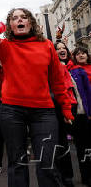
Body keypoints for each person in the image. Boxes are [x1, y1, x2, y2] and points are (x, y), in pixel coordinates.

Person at [0, 8, 73, 187]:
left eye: (24, 17)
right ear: (10, 25)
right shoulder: (4, 46)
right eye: (14, 18)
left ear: (31, 23)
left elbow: (57, 80)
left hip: (44, 112)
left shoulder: (47, 45)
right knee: (17, 163)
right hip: (12, 111)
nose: (19, 20)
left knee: (47, 163)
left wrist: (65, 108)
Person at [53, 42, 77, 187]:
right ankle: (63, 176)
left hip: (74, 107)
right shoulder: (57, 67)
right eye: (58, 49)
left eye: (63, 48)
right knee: (59, 142)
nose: (62, 50)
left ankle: (68, 176)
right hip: (59, 107)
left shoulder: (72, 65)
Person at [68, 46, 91, 187]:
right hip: (83, 114)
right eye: (78, 54)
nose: (81, 55)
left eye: (84, 53)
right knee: (83, 147)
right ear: (74, 57)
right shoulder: (74, 70)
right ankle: (86, 175)